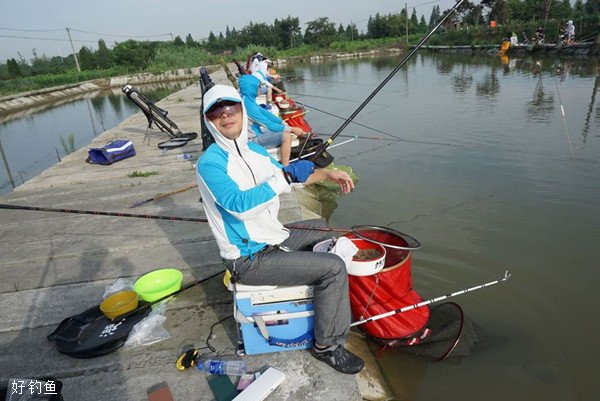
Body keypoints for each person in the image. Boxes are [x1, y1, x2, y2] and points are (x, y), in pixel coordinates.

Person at [197, 84, 364, 375]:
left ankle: (325, 296)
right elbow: (239, 206)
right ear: (209, 120)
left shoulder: (254, 151)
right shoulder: (209, 163)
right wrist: (285, 175)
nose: (226, 116)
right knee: (334, 267)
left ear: (242, 110)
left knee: (323, 229)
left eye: (231, 108)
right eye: (217, 112)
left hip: (274, 235)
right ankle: (328, 345)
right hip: (248, 258)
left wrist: (327, 173)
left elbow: (290, 178)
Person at [238, 74, 307, 166]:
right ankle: (285, 168)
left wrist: (281, 122)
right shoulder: (248, 105)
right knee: (286, 136)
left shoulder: (247, 99)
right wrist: (292, 129)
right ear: (251, 88)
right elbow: (268, 124)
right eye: (258, 86)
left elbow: (265, 113)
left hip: (255, 132)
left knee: (282, 130)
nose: (260, 88)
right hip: (251, 140)